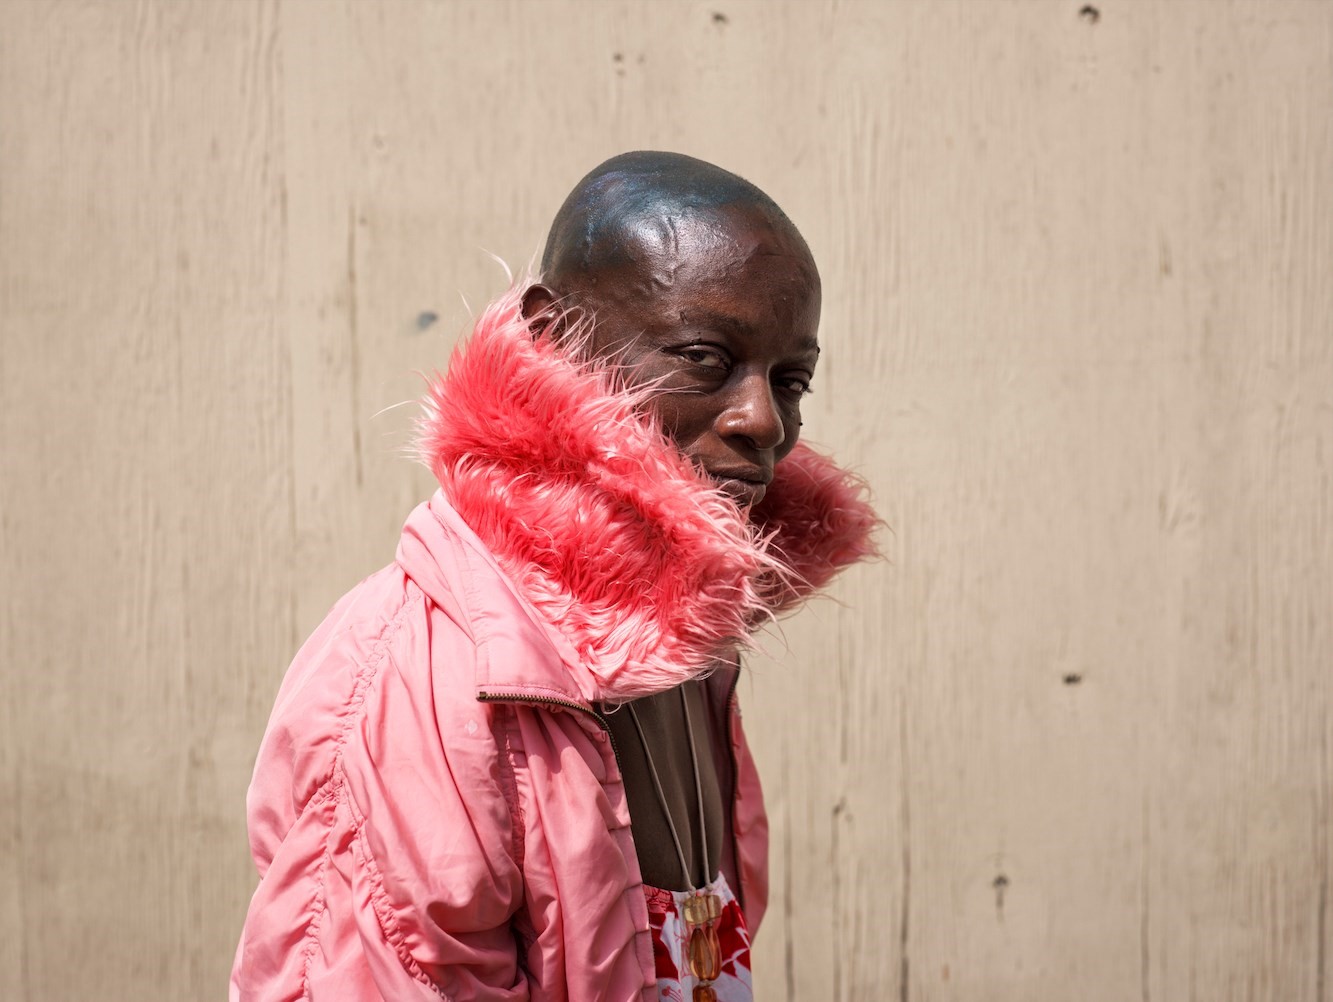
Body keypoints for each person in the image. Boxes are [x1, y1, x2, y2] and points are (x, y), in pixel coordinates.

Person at [231, 151, 877, 1002]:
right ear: (552, 335)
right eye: (704, 359)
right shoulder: (414, 677)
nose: (764, 419)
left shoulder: (691, 642)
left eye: (791, 379)